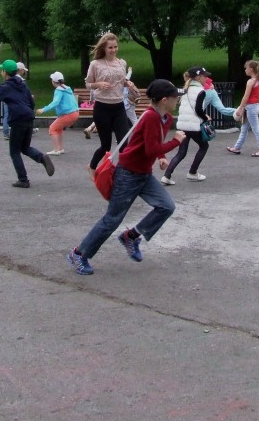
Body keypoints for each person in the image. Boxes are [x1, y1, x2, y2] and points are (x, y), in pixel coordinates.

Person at [68, 79, 184, 276]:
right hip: (128, 174)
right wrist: (175, 142)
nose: (178, 101)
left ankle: (131, 236)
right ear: (165, 99)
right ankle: (79, 254)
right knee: (112, 220)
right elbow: (151, 149)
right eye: (175, 98)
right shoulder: (150, 117)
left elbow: (155, 144)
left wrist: (162, 156)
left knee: (166, 206)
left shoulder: (165, 117)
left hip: (143, 174)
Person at [0, 59, 55, 189]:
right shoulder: (22, 84)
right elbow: (31, 102)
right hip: (29, 117)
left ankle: (23, 180)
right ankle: (42, 157)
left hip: (18, 119)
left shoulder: (6, 87)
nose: (1, 72)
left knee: (14, 152)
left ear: (5, 72)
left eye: (2, 70)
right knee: (25, 148)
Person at [85, 32, 140, 178]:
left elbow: (122, 81)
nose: (113, 50)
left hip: (118, 106)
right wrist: (98, 84)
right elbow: (87, 84)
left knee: (124, 143)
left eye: (115, 47)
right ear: (104, 48)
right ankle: (92, 167)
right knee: (106, 146)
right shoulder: (96, 64)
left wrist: (128, 84)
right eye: (110, 47)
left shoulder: (121, 63)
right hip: (102, 107)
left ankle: (124, 173)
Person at [162, 67, 215, 184]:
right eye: (205, 76)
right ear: (198, 77)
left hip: (183, 124)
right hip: (193, 125)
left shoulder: (185, 89)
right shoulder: (200, 91)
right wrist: (206, 117)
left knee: (181, 152)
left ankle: (167, 176)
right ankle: (192, 172)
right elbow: (198, 110)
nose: (206, 78)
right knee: (204, 146)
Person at [226, 60, 259, 157]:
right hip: (255, 105)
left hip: (251, 107)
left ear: (251, 69)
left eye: (246, 68)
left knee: (255, 128)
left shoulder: (250, 81)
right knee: (244, 128)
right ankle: (237, 147)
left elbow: (246, 96)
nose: (245, 70)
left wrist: (240, 108)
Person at [37, 71, 79, 155]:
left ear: (53, 81)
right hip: (75, 112)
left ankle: (56, 150)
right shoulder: (66, 88)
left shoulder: (58, 90)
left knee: (52, 128)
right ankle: (60, 148)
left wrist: (43, 109)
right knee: (58, 129)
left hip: (68, 113)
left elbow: (55, 102)